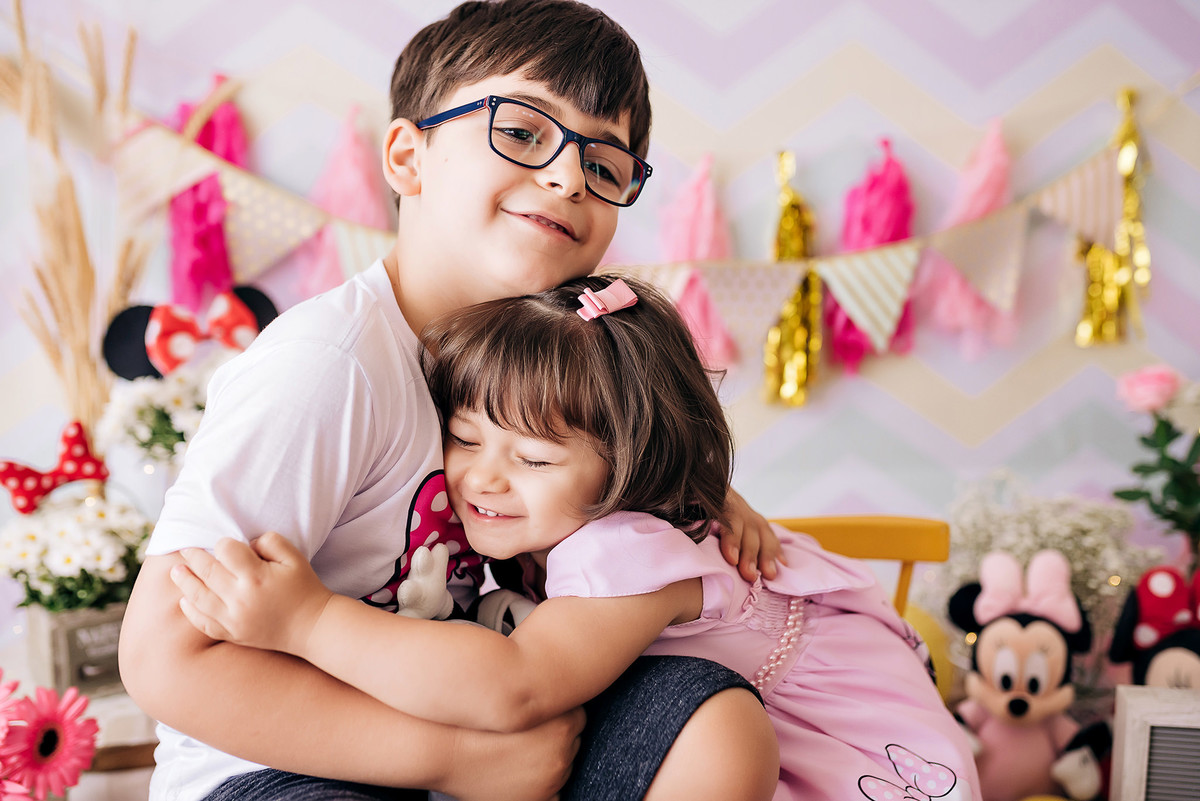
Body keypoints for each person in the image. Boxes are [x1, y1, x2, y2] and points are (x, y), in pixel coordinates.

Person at [118, 3, 781, 801]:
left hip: (475, 709)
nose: (569, 177)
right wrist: (450, 757)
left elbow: (602, 495)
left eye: (605, 166)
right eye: (524, 131)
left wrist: (696, 500)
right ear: (408, 158)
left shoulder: (550, 364)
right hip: (284, 768)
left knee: (709, 717)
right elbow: (162, 657)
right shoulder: (329, 366)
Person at [171, 275, 984, 801]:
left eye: (532, 458)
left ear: (626, 467)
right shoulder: (557, 517)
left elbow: (514, 684)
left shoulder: (621, 545)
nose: (484, 478)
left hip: (860, 761)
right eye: (464, 437)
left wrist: (308, 620)